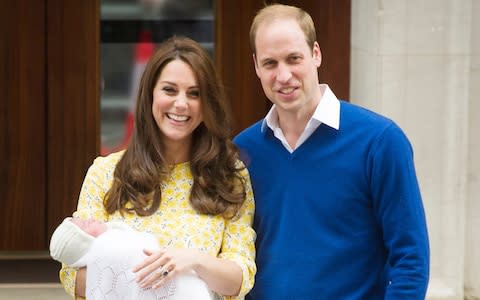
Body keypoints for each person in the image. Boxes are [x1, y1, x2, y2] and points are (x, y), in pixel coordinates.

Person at [233, 4, 429, 299]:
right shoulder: (243, 151)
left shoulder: (380, 142)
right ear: (256, 66)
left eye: (293, 58)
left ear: (316, 54)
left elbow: (410, 259)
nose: (283, 75)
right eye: (270, 63)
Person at [59, 36, 256, 300]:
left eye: (194, 93)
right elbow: (73, 277)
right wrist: (147, 278)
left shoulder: (229, 175)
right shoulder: (105, 173)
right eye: (170, 90)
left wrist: (193, 261)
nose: (181, 104)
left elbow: (240, 278)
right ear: (150, 93)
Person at [50, 217, 214, 299]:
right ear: (82, 242)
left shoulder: (116, 238)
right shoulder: (108, 248)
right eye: (85, 225)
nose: (90, 218)